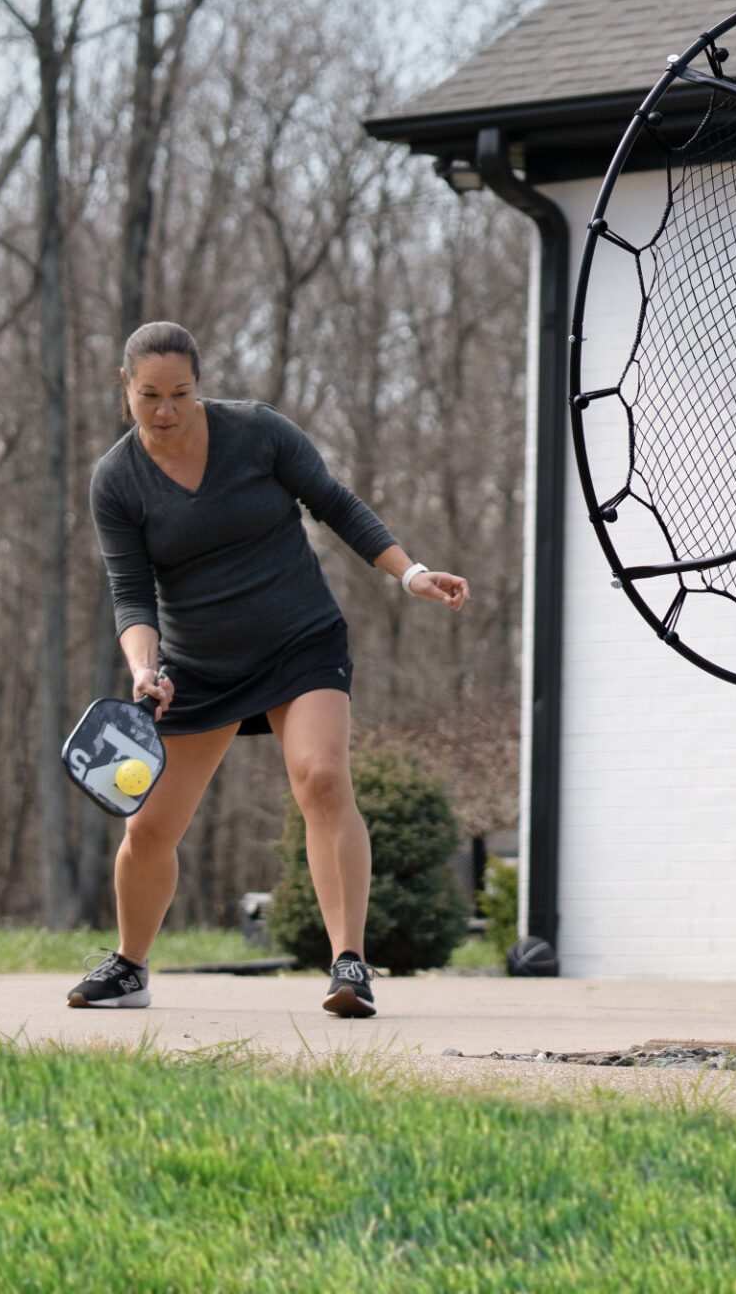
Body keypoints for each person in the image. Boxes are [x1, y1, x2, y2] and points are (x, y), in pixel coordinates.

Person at [70, 320, 468, 1016]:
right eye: (149, 396)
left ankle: (350, 965)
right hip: (197, 667)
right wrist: (144, 669)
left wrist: (411, 575)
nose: (165, 412)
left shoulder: (257, 432)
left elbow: (336, 504)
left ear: (201, 385)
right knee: (147, 830)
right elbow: (131, 594)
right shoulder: (117, 481)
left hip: (298, 642)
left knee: (320, 777)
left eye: (181, 394)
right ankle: (130, 966)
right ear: (124, 389)